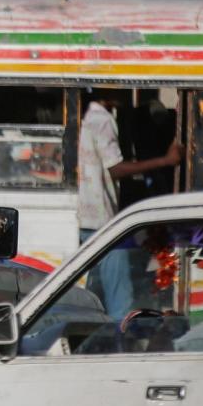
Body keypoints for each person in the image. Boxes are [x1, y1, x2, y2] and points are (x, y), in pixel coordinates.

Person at [78, 89, 180, 318]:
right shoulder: (102, 119)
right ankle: (120, 344)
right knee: (120, 301)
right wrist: (166, 160)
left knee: (92, 297)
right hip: (101, 222)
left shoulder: (87, 117)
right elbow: (115, 169)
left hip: (87, 219)